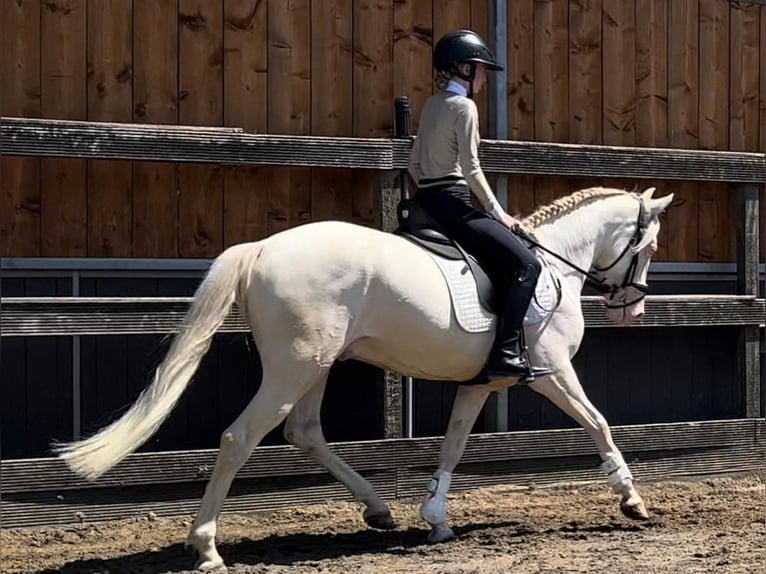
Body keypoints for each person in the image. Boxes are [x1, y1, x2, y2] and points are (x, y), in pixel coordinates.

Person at [408, 29, 552, 383]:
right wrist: (497, 212)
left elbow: (413, 164)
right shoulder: (464, 108)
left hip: (425, 201)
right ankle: (504, 352)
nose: (485, 78)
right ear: (463, 69)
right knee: (526, 264)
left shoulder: (431, 105)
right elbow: (471, 168)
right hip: (453, 202)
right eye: (481, 70)